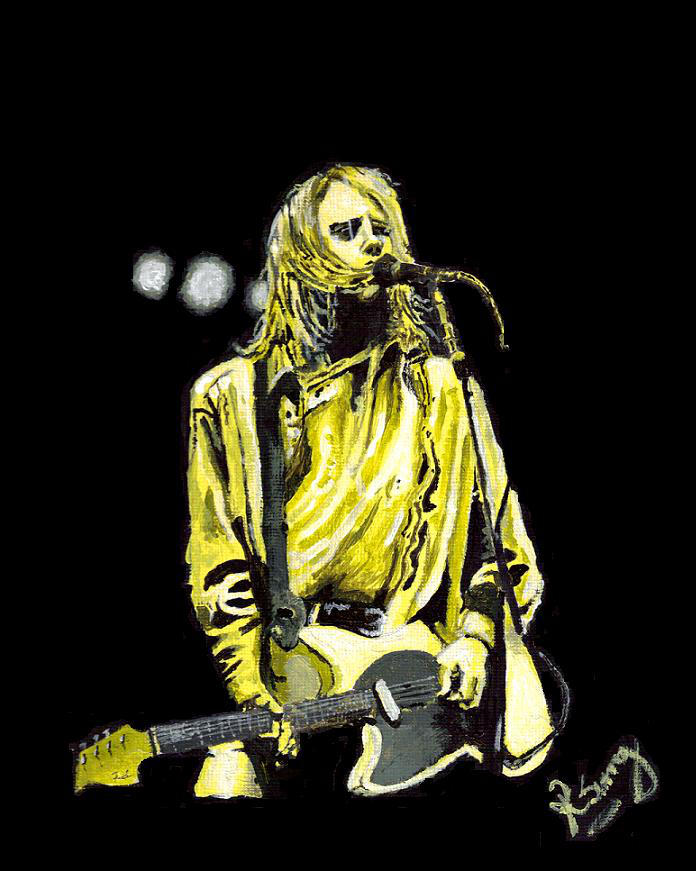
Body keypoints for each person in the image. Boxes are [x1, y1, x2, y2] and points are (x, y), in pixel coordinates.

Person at [186, 165, 553, 799]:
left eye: (381, 228)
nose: (372, 243)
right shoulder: (232, 398)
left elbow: (496, 542)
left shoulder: (441, 387)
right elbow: (220, 572)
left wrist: (475, 636)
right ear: (301, 253)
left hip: (421, 672)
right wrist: (251, 694)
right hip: (296, 676)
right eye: (346, 230)